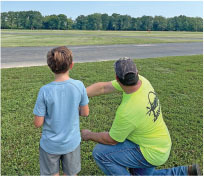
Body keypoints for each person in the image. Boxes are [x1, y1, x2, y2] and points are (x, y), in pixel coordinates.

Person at [81, 57, 200, 176]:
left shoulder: (128, 111)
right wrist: (79, 95)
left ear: (117, 78)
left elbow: (111, 140)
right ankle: (184, 172)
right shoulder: (143, 81)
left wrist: (89, 134)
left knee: (100, 153)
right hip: (160, 144)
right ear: (137, 73)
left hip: (149, 152)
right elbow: (103, 87)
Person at [33, 46, 89, 176]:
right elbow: (85, 113)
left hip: (50, 145)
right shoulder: (79, 85)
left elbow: (38, 123)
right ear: (71, 65)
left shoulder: (45, 90)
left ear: (50, 66)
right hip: (72, 143)